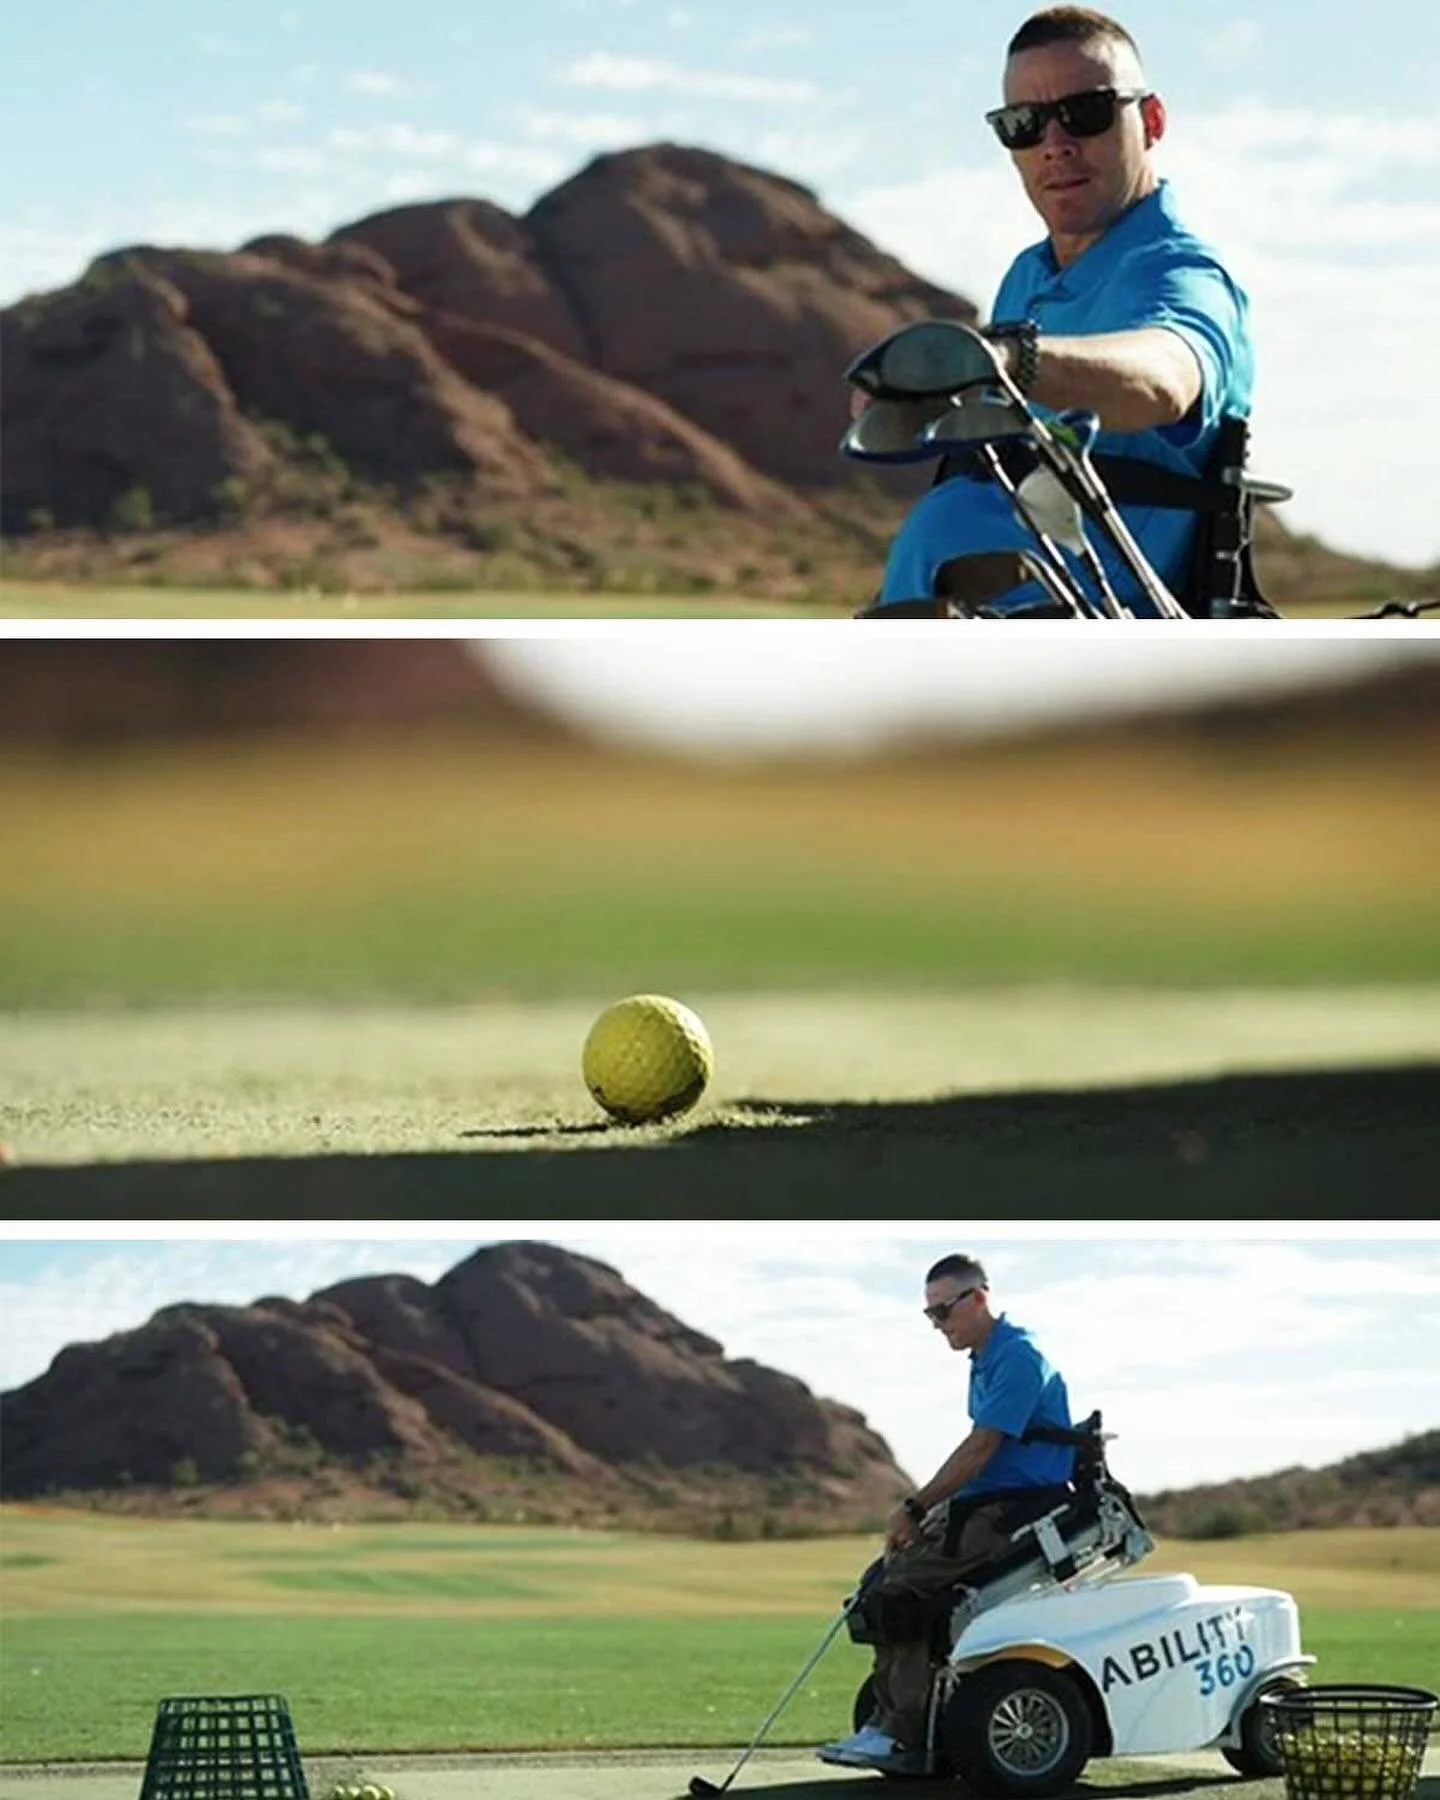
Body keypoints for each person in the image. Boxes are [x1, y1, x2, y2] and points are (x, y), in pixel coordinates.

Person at [863, 6, 1254, 616]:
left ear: (1151, 120)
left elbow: (1168, 374)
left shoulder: (1180, 271)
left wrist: (1005, 359)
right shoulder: (1027, 275)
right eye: (1024, 123)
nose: (1055, 145)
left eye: (1087, 113)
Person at [817, 1254, 1076, 1776]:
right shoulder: (984, 1357)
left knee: (901, 1593)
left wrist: (915, 1506)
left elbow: (981, 1449)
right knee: (878, 1586)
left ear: (979, 1297)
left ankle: (898, 1734)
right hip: (982, 1504)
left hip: (1014, 1508)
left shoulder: (1018, 1355)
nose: (938, 1325)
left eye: (943, 1312)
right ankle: (887, 1722)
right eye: (929, 1315)